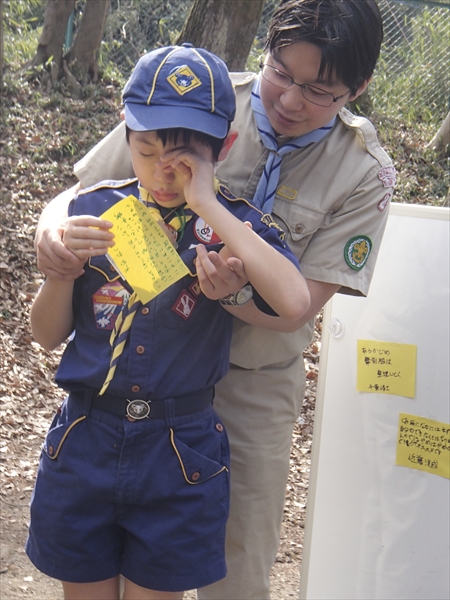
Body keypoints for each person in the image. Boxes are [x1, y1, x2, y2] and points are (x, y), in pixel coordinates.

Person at [34, 1, 396, 598]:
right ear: (267, 52)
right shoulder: (197, 93)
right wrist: (50, 233)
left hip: (250, 377)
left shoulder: (363, 174)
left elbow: (297, 307)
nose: (289, 100)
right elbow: (85, 192)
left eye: (318, 90)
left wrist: (222, 287)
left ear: (357, 89)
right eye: (282, 71)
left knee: (235, 563)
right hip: (130, 376)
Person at [26, 44, 310, 600]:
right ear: (126, 137)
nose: (161, 169)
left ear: (222, 149)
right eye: (145, 148)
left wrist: (206, 204)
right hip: (86, 436)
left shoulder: (237, 228)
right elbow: (44, 335)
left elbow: (296, 302)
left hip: (179, 450)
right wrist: (61, 271)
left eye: (182, 157)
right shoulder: (96, 211)